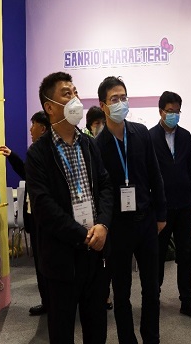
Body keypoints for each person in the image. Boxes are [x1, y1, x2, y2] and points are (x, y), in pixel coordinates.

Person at [26, 71, 113, 344]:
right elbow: (43, 206)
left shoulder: (89, 144)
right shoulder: (38, 154)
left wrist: (103, 224)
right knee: (62, 331)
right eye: (66, 93)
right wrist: (81, 234)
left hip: (95, 254)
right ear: (49, 107)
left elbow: (105, 186)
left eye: (75, 92)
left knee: (96, 329)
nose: (75, 98)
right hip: (61, 258)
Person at [95, 76, 167, 344]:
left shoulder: (141, 134)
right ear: (103, 105)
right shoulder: (97, 146)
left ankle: (151, 337)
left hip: (146, 221)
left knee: (151, 288)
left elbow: (155, 175)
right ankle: (127, 339)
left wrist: (161, 215)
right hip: (118, 227)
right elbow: (99, 191)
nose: (121, 103)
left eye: (124, 97)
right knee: (122, 291)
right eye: (114, 99)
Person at [149, 91, 191, 321]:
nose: (173, 115)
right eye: (169, 111)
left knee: (184, 254)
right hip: (160, 209)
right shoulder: (150, 137)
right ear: (160, 111)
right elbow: (148, 174)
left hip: (183, 206)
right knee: (158, 255)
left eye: (177, 111)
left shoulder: (186, 136)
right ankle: (153, 298)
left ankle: (186, 302)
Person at [0, 110, 51, 316]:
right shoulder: (35, 151)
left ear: (43, 128)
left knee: (47, 261)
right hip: (34, 216)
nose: (30, 129)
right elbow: (26, 174)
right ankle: (47, 301)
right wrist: (12, 156)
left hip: (46, 217)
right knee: (40, 261)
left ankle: (54, 302)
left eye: (33, 125)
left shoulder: (47, 151)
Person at [81, 105, 113, 310]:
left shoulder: (108, 141)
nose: (100, 126)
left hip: (104, 208)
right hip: (86, 207)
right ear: (89, 125)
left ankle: (105, 294)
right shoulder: (84, 143)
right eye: (96, 123)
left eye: (103, 122)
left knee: (105, 255)